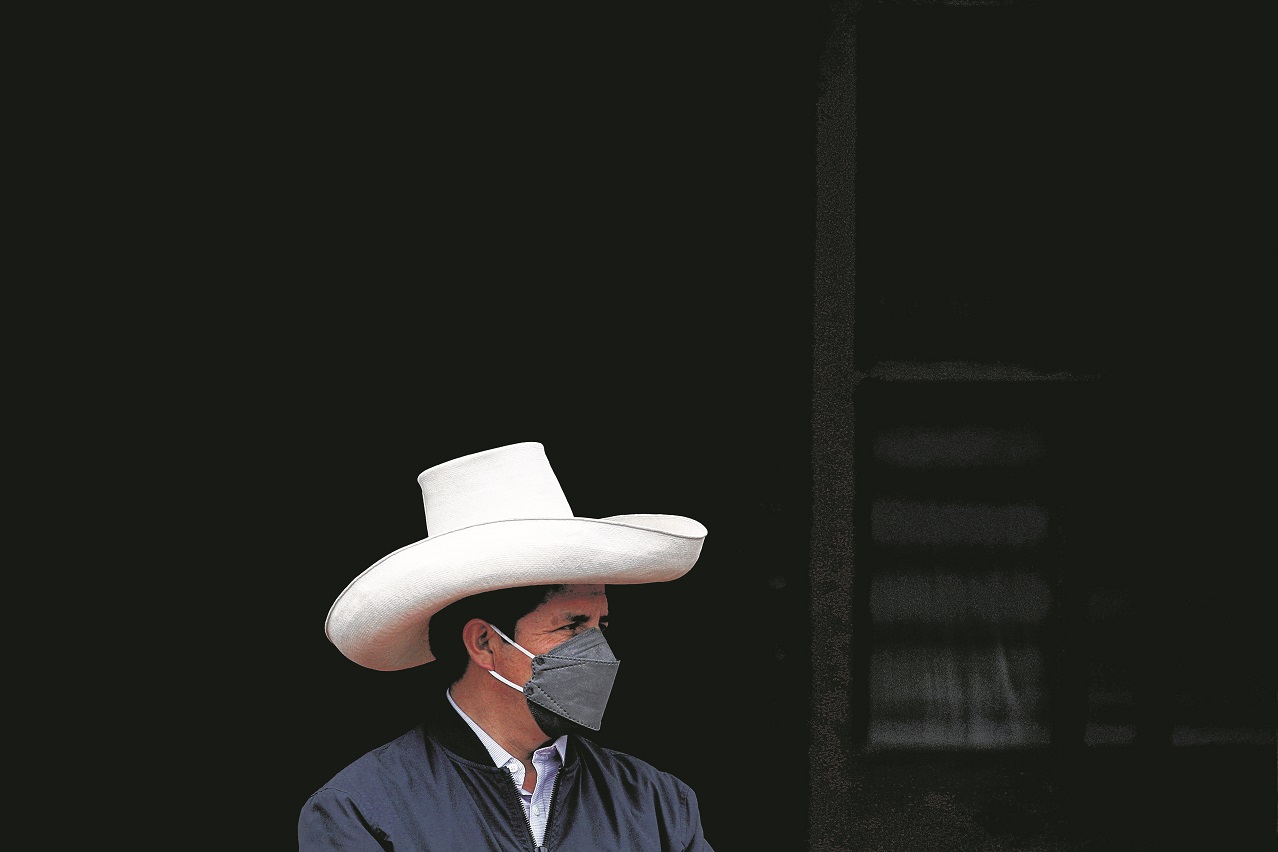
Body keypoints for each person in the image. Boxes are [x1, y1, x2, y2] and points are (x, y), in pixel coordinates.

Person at [299, 441, 714, 850]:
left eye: (601, 623)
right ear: (484, 643)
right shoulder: (362, 811)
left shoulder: (658, 804)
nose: (598, 650)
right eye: (572, 626)